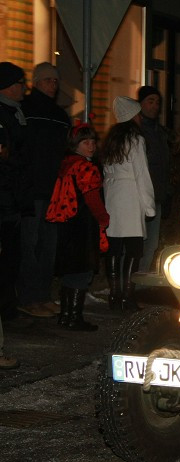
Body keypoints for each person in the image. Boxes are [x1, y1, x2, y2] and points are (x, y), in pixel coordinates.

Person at [18, 62, 70, 319]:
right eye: (48, 80)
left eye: (55, 80)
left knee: (49, 245)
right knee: (30, 243)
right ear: (37, 82)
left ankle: (42, 295)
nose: (53, 84)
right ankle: (29, 297)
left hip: (54, 190)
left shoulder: (59, 115)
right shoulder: (26, 110)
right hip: (33, 188)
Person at [47, 123, 108, 331]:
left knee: (70, 272)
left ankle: (65, 316)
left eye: (93, 141)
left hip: (67, 223)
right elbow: (92, 197)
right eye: (85, 142)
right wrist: (103, 217)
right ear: (75, 144)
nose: (91, 146)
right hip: (82, 225)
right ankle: (74, 318)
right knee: (81, 271)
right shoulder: (85, 167)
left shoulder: (67, 163)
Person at [102, 96, 155, 311]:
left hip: (113, 197)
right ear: (133, 115)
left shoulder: (111, 139)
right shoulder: (135, 139)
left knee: (114, 248)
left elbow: (106, 173)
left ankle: (114, 294)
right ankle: (127, 295)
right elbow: (141, 173)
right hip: (131, 198)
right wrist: (149, 204)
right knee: (133, 249)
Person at [0, 62, 28, 324]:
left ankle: (9, 309)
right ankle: (7, 312)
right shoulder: (4, 117)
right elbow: (7, 162)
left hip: (13, 199)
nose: (24, 88)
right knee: (7, 260)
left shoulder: (17, 114)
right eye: (20, 83)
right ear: (7, 87)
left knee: (12, 259)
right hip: (5, 201)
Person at [136, 85, 172, 273]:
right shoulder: (136, 131)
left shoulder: (161, 132)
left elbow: (165, 166)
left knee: (151, 242)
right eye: (150, 101)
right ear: (140, 104)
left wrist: (166, 193)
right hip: (140, 196)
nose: (155, 106)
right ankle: (129, 283)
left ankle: (139, 283)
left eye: (157, 102)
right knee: (137, 242)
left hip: (156, 194)